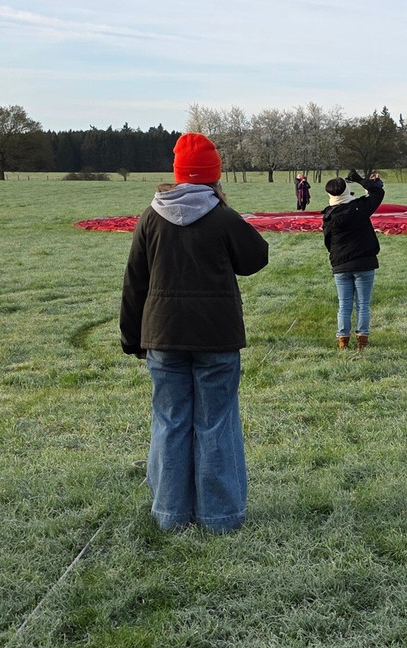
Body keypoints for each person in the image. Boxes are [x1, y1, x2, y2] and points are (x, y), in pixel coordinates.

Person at [120, 133, 270, 533]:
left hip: (162, 336)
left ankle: (169, 515)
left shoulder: (150, 217)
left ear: (177, 173)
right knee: (216, 423)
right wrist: (226, 215)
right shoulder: (222, 217)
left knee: (169, 423)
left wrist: (132, 338)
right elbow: (257, 257)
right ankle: (219, 517)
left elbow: (134, 281)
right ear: (214, 176)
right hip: (216, 337)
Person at [322, 169, 385, 350]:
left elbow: (328, 242)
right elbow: (378, 192)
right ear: (346, 190)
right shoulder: (360, 207)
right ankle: (362, 341)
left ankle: (343, 340)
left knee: (344, 304)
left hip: (341, 264)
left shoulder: (329, 216)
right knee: (363, 304)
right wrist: (359, 179)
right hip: (364, 262)